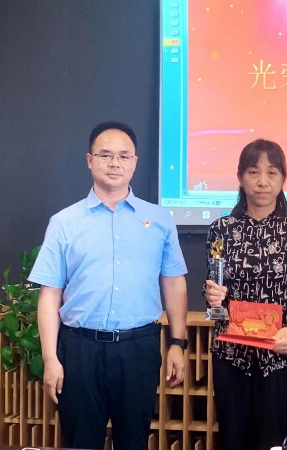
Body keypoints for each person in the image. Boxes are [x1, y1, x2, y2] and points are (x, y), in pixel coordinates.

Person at [29, 121, 188, 450]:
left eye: (123, 156)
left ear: (134, 162)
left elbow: (174, 284)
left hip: (138, 348)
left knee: (134, 441)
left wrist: (177, 343)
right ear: (90, 160)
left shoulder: (160, 220)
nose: (115, 163)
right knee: (80, 441)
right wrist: (50, 359)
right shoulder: (64, 223)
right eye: (105, 155)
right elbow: (50, 296)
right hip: (79, 350)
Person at [204, 139, 287, 450]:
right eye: (253, 172)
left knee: (277, 442)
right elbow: (214, 293)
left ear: (283, 178)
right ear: (240, 177)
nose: (262, 182)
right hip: (232, 356)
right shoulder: (221, 229)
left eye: (272, 173)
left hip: (282, 355)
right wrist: (212, 297)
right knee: (233, 441)